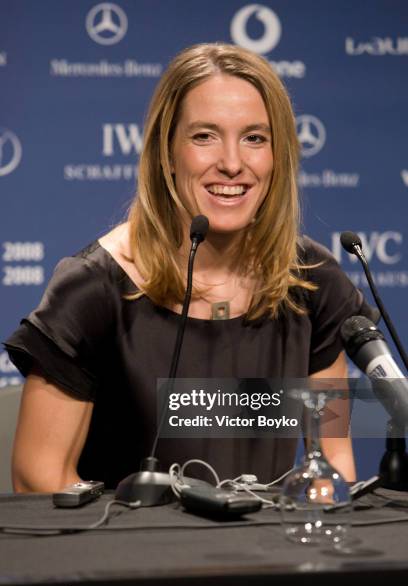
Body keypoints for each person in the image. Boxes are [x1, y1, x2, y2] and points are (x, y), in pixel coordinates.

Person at [5, 43, 376, 493]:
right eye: (204, 136)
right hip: (127, 557)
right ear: (167, 152)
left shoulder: (315, 282)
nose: (233, 163)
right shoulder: (92, 289)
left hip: (270, 553)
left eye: (255, 138)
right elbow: (36, 478)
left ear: (278, 157)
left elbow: (333, 461)